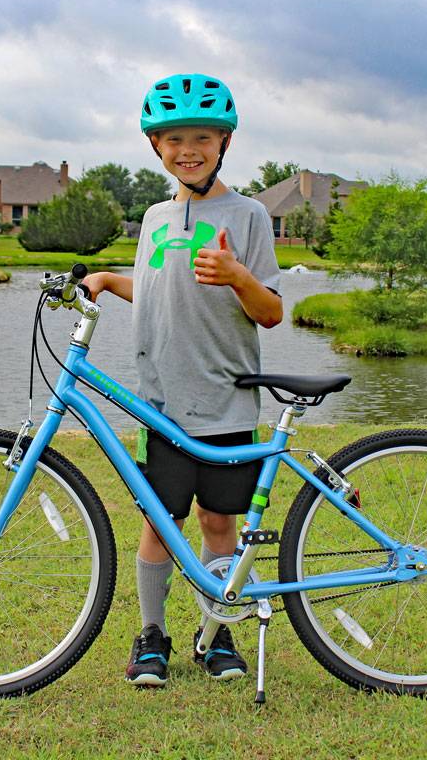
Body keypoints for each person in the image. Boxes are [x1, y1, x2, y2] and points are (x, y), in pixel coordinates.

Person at [82, 73, 283, 687]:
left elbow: (271, 311)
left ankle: (215, 636)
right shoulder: (154, 216)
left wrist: (236, 275)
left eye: (201, 138)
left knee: (218, 523)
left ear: (224, 143)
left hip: (227, 402)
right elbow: (157, 289)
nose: (187, 150)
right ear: (156, 146)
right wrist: (108, 280)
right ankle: (152, 635)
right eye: (174, 139)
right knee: (159, 525)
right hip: (162, 406)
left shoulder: (249, 215)